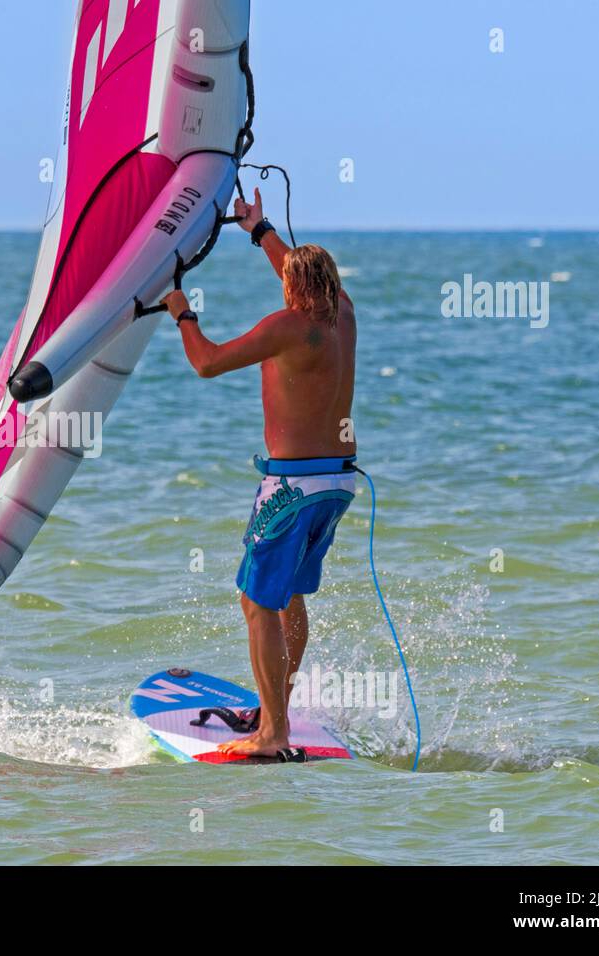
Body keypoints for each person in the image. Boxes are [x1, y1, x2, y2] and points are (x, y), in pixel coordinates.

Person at [162, 187, 356, 759]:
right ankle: (278, 712)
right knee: (289, 596)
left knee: (257, 603)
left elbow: (208, 362)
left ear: (296, 290)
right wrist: (259, 228)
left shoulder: (288, 326)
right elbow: (300, 275)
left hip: (290, 487)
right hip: (336, 483)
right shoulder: (342, 311)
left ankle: (272, 734)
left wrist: (183, 312)